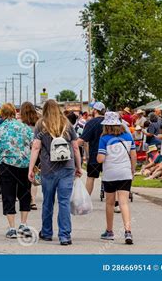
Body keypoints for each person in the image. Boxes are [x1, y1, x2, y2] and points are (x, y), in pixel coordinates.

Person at [29, 100, 82, 245]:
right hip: (67, 168)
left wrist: (31, 168)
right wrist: (79, 166)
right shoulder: (67, 124)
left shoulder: (41, 124)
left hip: (48, 169)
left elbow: (35, 148)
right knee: (64, 202)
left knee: (48, 201)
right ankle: (65, 235)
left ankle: (46, 232)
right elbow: (75, 147)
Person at [0, 103, 33, 239]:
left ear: (2, 114)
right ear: (15, 113)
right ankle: (24, 225)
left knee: (8, 195)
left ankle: (12, 228)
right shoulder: (25, 128)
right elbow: (34, 146)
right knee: (24, 194)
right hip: (24, 165)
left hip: (6, 165)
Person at [97, 111, 136, 245]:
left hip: (110, 174)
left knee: (110, 203)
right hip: (125, 173)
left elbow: (100, 159)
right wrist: (133, 169)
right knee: (124, 202)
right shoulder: (128, 136)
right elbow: (134, 155)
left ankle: (109, 231)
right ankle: (128, 231)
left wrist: (98, 157)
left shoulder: (104, 138)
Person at [76, 101, 105, 195]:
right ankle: (116, 203)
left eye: (93, 109)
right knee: (111, 179)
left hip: (95, 155)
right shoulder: (109, 122)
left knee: (91, 177)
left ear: (95, 110)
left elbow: (82, 139)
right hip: (109, 155)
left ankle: (86, 200)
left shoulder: (91, 123)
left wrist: (71, 146)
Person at [20, 101, 40, 211]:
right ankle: (32, 200)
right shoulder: (38, 124)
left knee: (25, 177)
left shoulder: (21, 125)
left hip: (24, 155)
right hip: (36, 154)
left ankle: (25, 198)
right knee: (34, 177)